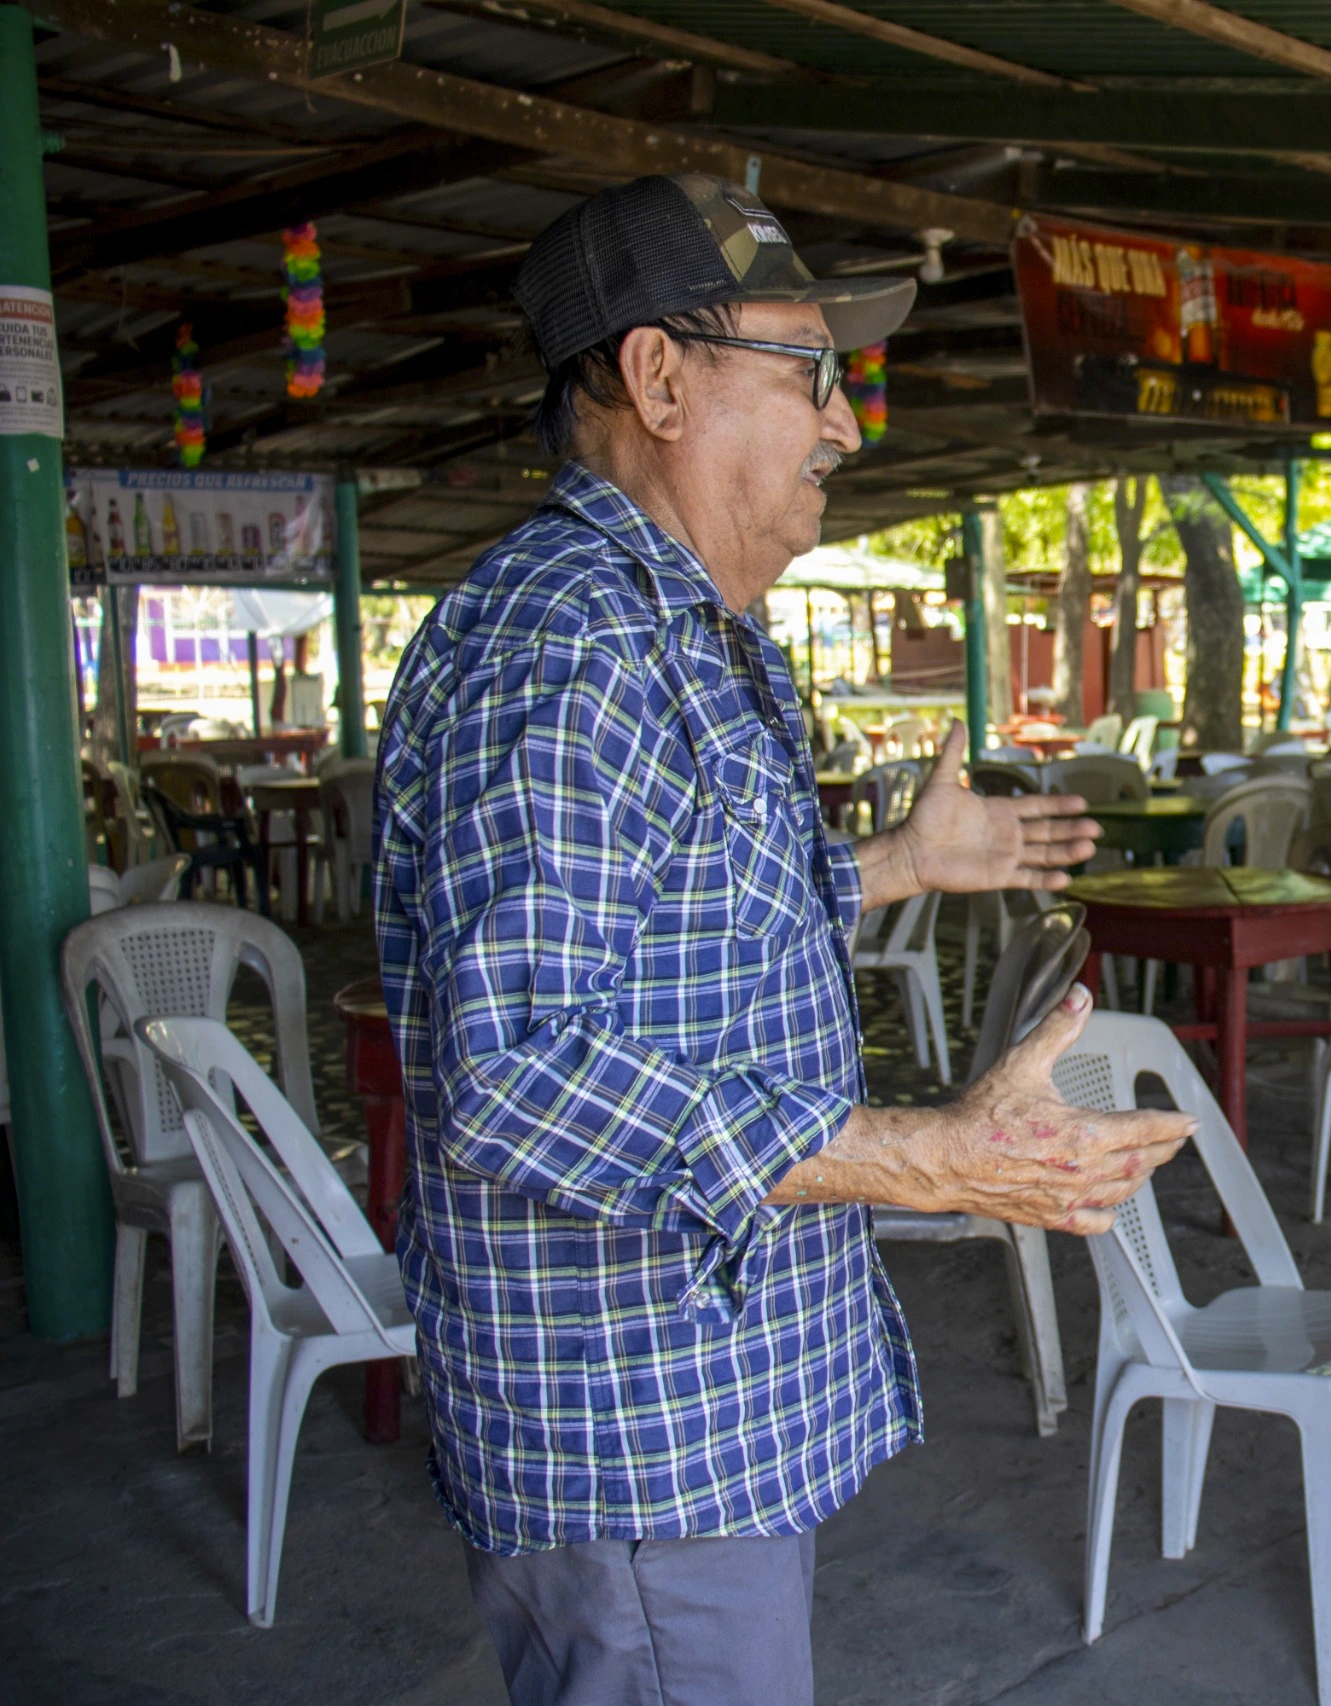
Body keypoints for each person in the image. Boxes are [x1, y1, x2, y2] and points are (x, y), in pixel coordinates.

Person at [372, 173, 1196, 1706]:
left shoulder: (676, 624)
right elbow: (523, 1070)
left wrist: (890, 861)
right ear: (658, 377)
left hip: (703, 1417)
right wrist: (925, 1154)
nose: (846, 425)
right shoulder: (573, 643)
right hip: (641, 1436)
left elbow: (683, 922)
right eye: (810, 375)